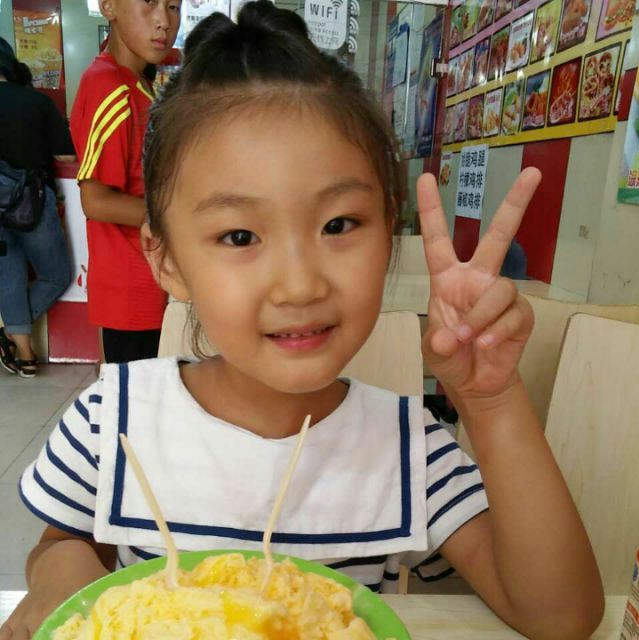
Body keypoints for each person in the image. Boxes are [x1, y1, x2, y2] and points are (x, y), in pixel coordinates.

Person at [2, 3, 603, 638]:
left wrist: (491, 401)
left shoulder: (407, 448)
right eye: (240, 235)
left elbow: (560, 617)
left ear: (389, 229)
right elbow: (60, 546)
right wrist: (62, 582)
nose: (300, 284)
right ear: (167, 259)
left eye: (338, 224)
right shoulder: (115, 419)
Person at [69, 0, 181, 364]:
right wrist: (177, 218)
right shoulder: (110, 87)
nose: (164, 21)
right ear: (109, 6)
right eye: (149, 3)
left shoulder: (135, 84)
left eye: (173, 7)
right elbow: (96, 201)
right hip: (131, 287)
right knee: (133, 392)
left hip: (149, 280)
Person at [0, 38, 74, 378]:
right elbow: (66, 156)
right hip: (32, 205)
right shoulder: (37, 102)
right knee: (56, 276)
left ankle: (24, 355)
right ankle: (16, 343)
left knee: (9, 277)